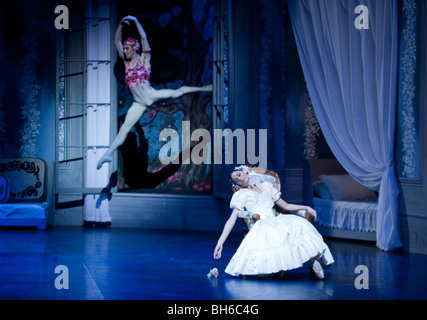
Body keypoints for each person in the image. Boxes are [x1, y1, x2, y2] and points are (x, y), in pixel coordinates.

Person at [97, 15, 212, 170]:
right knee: (124, 129)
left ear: (135, 48)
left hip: (150, 96)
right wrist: (120, 25)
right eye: (124, 49)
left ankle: (204, 88)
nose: (124, 51)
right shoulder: (126, 63)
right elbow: (116, 41)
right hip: (139, 103)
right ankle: (108, 154)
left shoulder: (144, 59)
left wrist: (135, 21)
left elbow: (143, 37)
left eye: (127, 48)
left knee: (177, 92)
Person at [213, 165, 334, 279]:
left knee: (300, 223)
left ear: (245, 172)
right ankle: (294, 264)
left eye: (239, 174)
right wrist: (220, 242)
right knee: (272, 233)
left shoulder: (266, 186)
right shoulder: (241, 195)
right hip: (261, 223)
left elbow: (285, 205)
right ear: (237, 185)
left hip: (276, 219)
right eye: (236, 180)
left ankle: (313, 259)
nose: (240, 178)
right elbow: (232, 219)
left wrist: (305, 207)